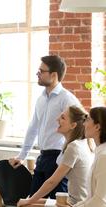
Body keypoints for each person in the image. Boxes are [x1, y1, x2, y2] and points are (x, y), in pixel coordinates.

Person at [9, 55, 80, 198]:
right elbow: (33, 127)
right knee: (33, 204)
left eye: (41, 71)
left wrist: (67, 154)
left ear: (53, 75)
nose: (38, 74)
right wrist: (22, 155)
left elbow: (78, 125)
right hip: (42, 157)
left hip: (59, 157)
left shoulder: (67, 98)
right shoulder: (41, 99)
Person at [15, 105, 93, 207]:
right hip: (75, 202)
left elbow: (52, 181)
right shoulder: (81, 143)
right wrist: (30, 200)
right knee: (29, 205)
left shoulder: (74, 147)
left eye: (62, 117)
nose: (57, 119)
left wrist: (29, 199)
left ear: (73, 125)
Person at [56, 107, 106, 207]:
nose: (83, 123)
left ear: (97, 127)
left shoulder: (104, 157)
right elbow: (92, 196)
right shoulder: (98, 152)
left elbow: (99, 200)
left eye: (88, 120)